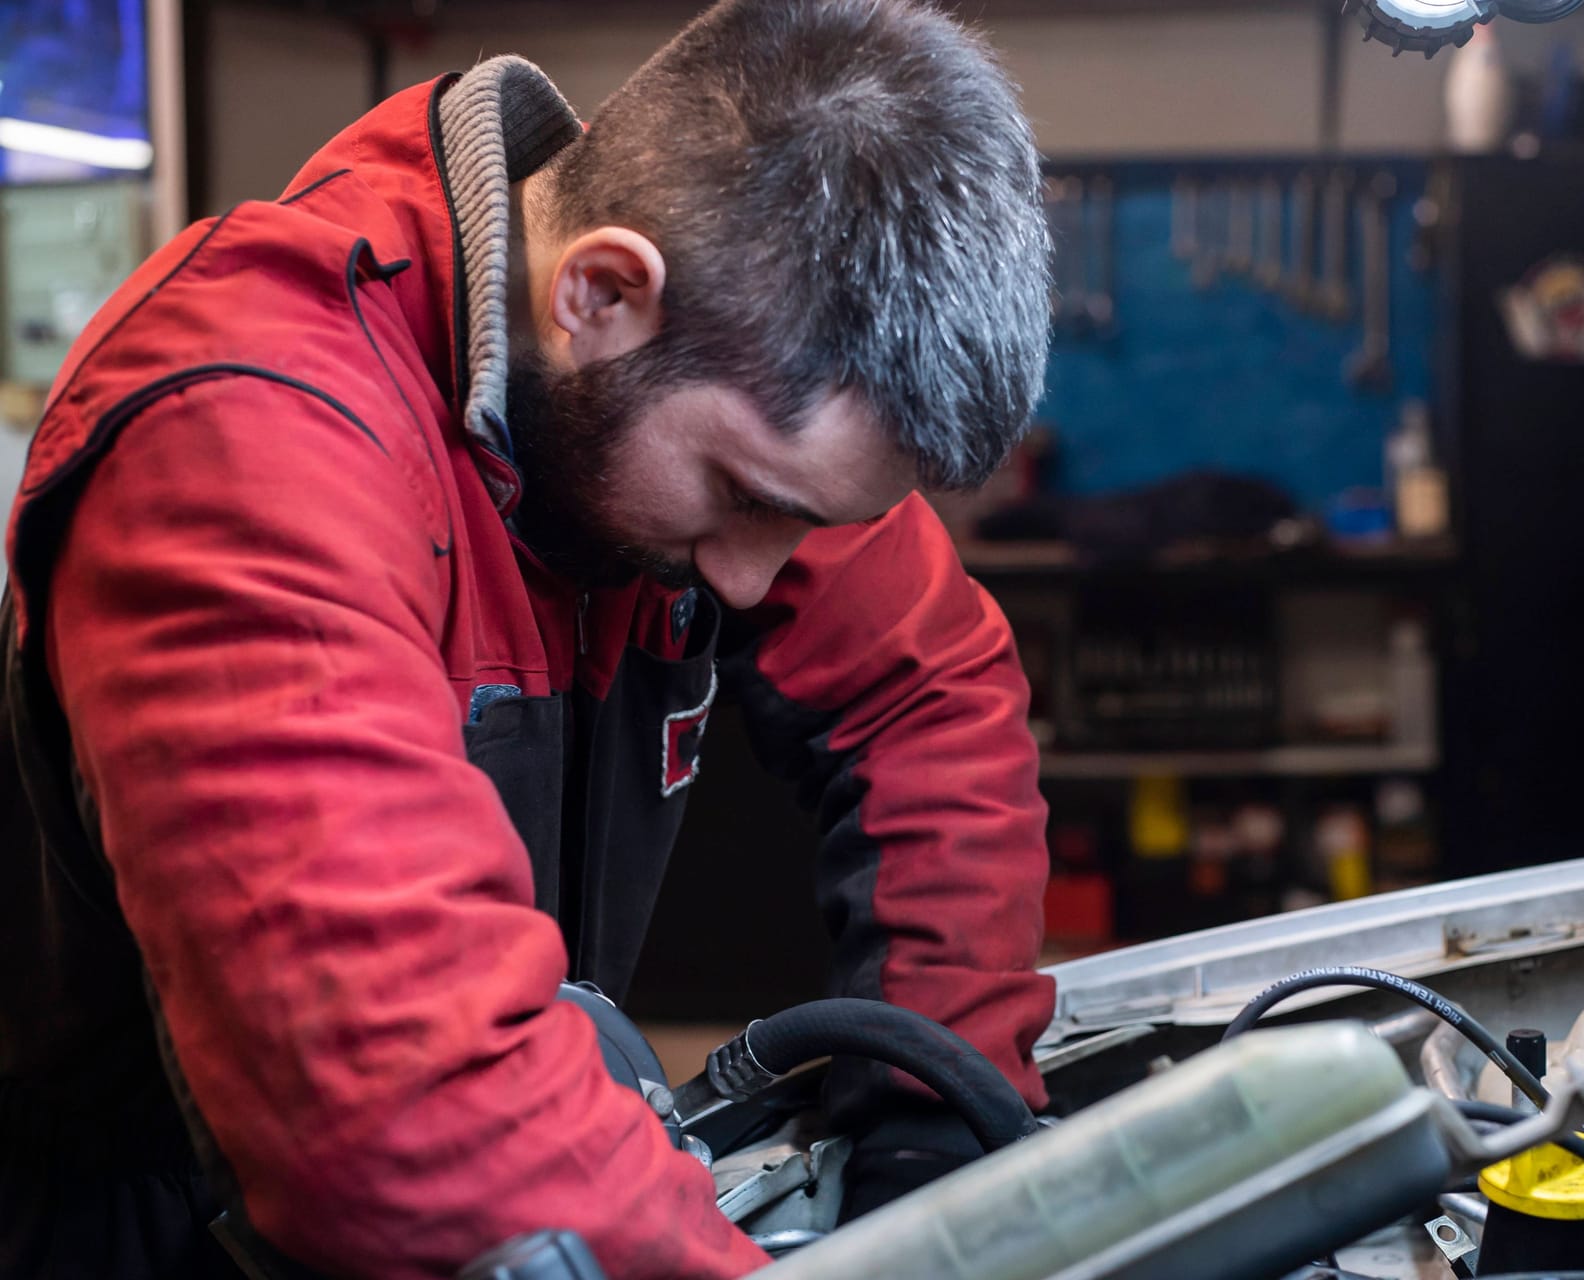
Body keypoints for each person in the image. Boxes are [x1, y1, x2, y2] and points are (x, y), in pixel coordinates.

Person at [0, 1, 1056, 1276]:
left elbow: (928, 694)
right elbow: (396, 1098)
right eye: (745, 497)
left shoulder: (713, 369)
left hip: (500, 1152)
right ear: (601, 291)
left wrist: (934, 1155)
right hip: (150, 1218)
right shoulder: (246, 430)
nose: (755, 574)